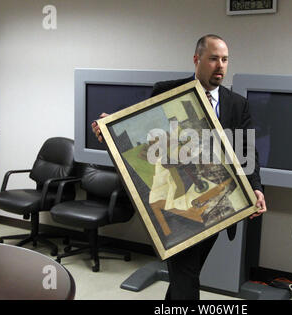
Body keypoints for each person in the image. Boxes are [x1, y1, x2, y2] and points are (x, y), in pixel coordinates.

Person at [92, 34, 267, 300]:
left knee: (187, 274)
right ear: (197, 60)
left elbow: (247, 152)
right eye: (213, 59)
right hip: (175, 208)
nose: (220, 65)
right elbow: (142, 129)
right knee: (186, 277)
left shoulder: (237, 104)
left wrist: (256, 189)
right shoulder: (167, 91)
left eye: (224, 59)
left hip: (216, 209)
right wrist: (110, 127)